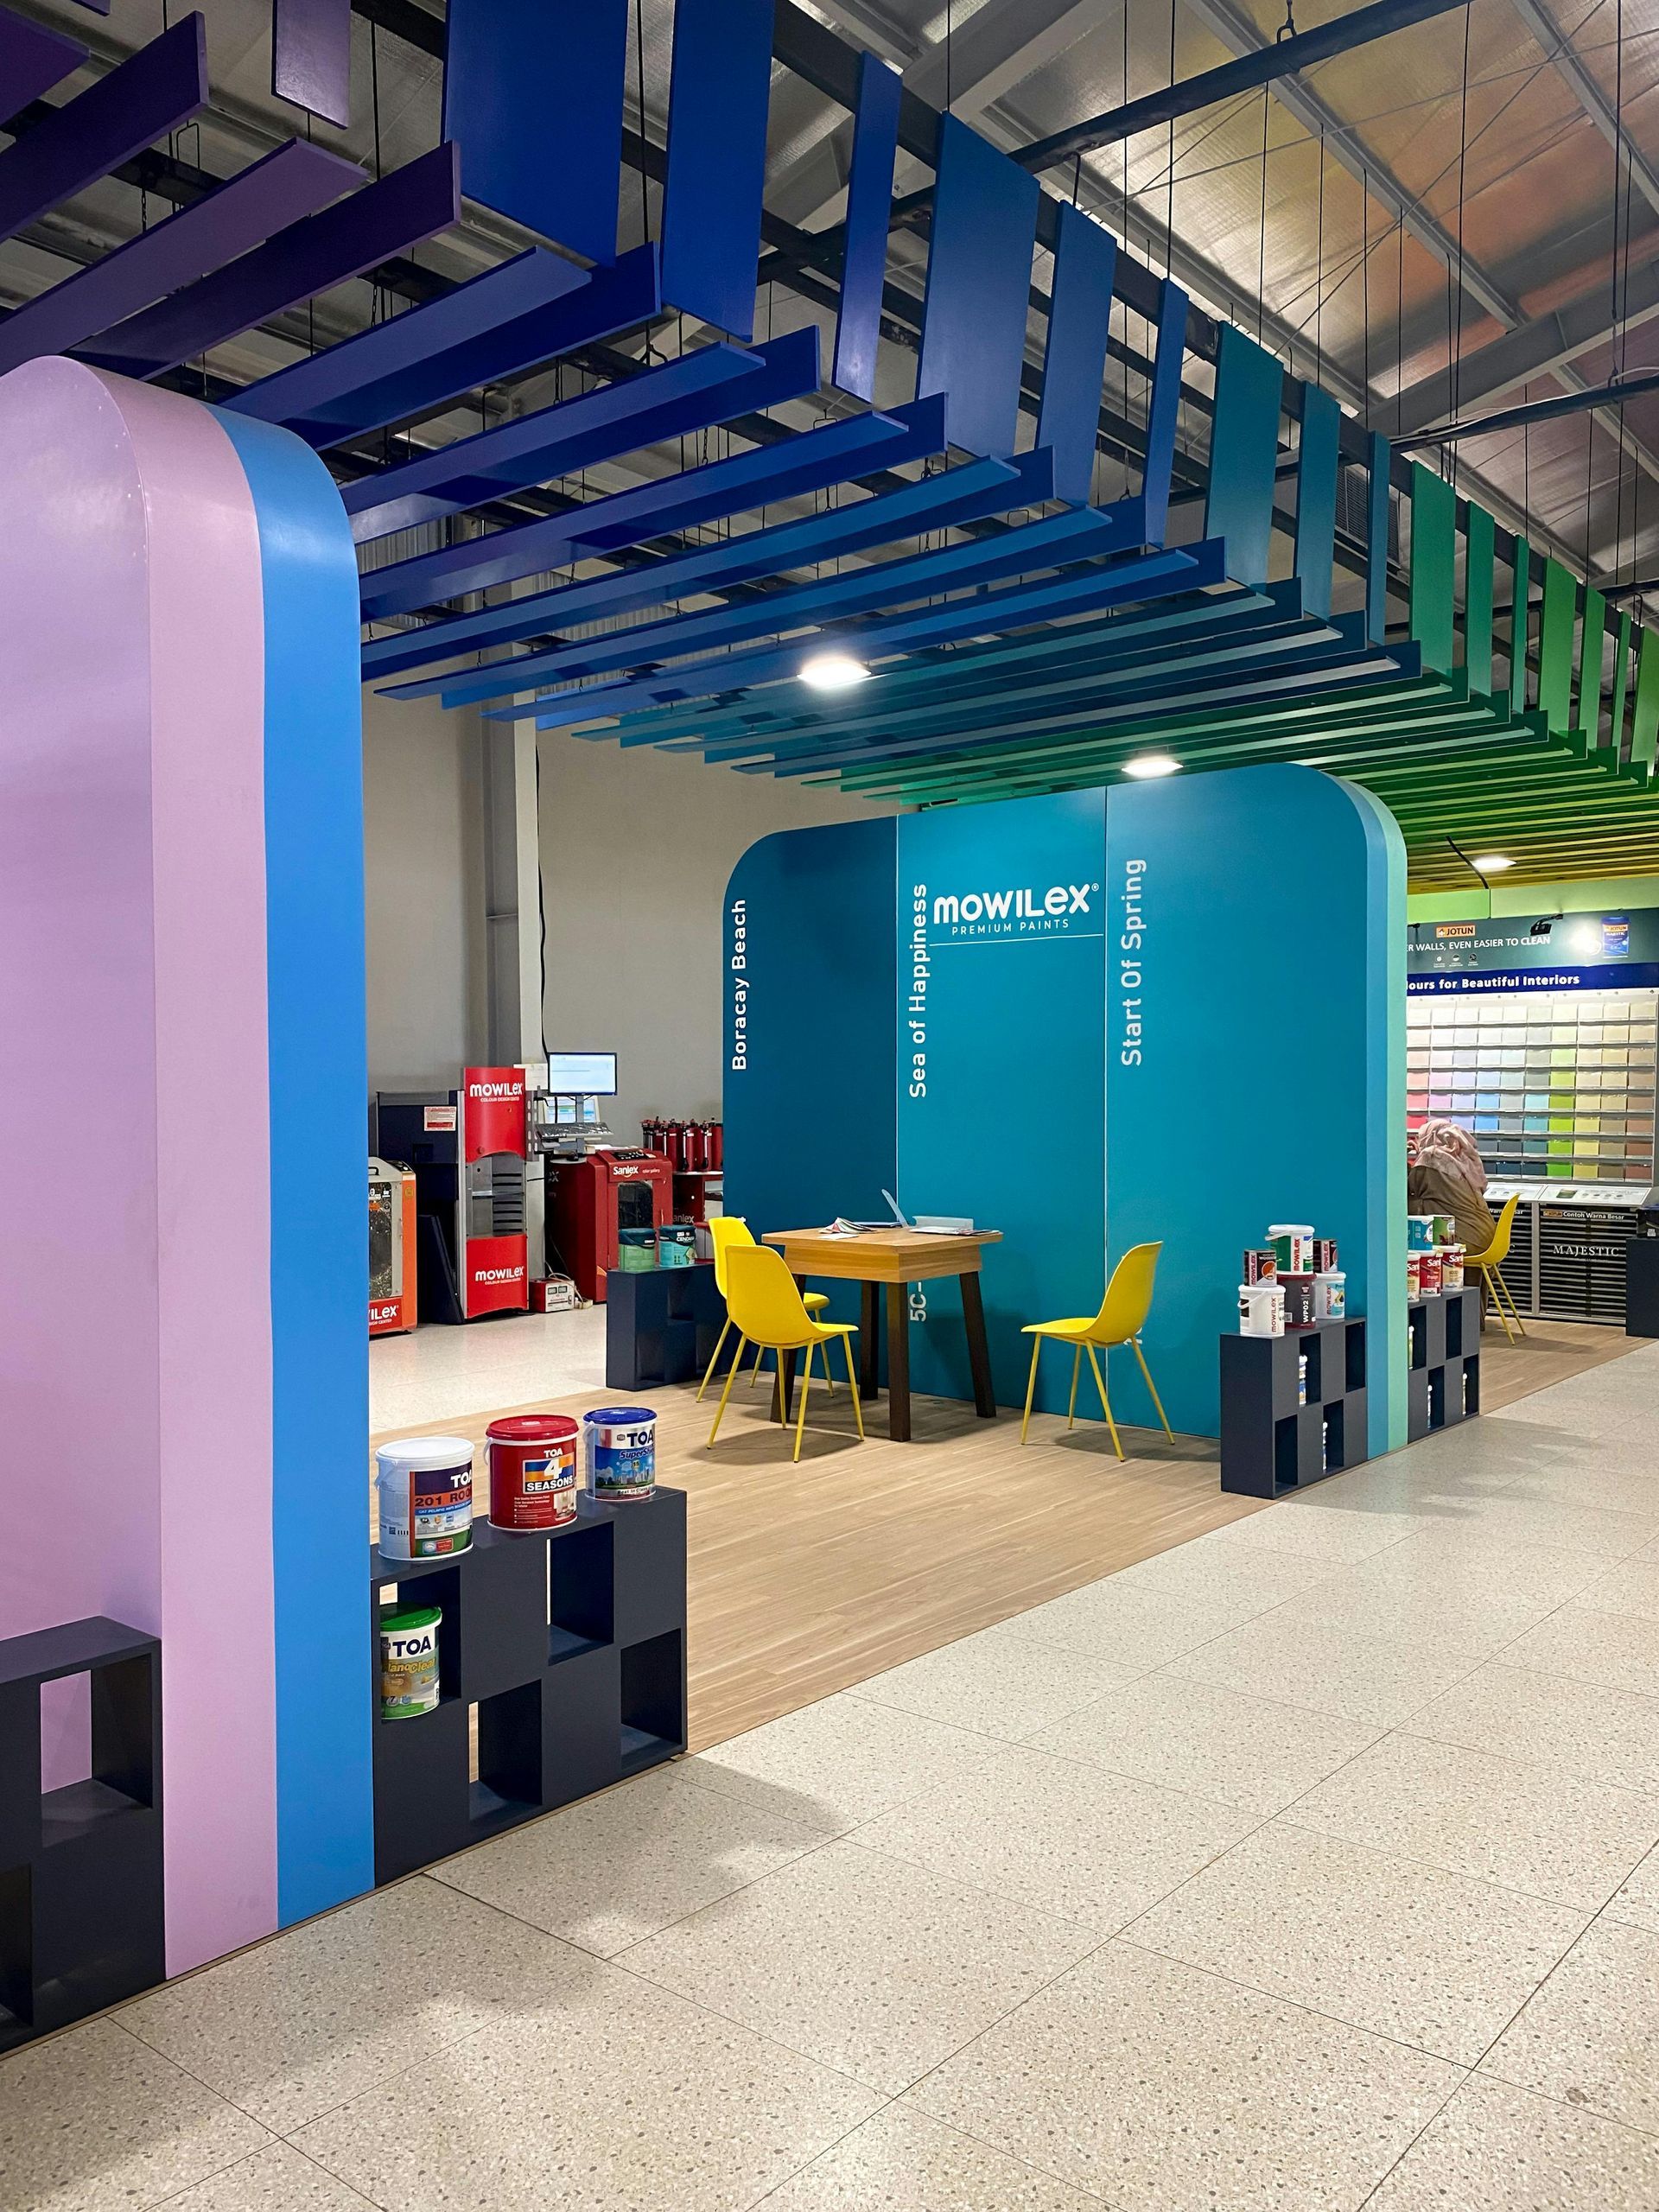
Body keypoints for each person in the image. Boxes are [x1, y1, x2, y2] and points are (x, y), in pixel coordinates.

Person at [1408, 1116, 1497, 1258]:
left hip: (1464, 1239)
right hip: (1487, 1234)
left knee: (1409, 1214)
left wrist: (1400, 1157)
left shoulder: (1431, 1156)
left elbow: (1406, 1189)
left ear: (1429, 1136)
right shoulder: (1464, 1159)